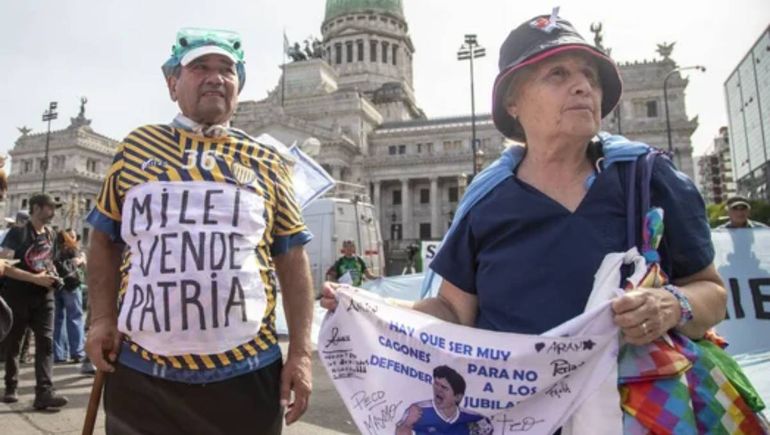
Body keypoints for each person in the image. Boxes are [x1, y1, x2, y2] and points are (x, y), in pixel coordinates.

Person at [323, 11, 726, 432]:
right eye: (557, 73)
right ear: (512, 102)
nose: (582, 85)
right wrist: (368, 308)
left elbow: (712, 292)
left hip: (638, 413)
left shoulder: (647, 179)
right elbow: (451, 311)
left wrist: (672, 305)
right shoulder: (487, 202)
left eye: (590, 74)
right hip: (519, 419)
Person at [85, 27, 314, 434]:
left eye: (226, 69)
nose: (215, 76)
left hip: (246, 375)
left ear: (238, 87)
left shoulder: (267, 160)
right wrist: (102, 318)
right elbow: (103, 239)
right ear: (173, 83)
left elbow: (292, 258)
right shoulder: (135, 148)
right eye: (199, 67)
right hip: (142, 375)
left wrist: (300, 354)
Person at [0, 193, 66, 409]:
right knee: (14, 343)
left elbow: (49, 261)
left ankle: (44, 393)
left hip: (45, 297)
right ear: (36, 208)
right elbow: (4, 266)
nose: (53, 211)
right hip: (18, 296)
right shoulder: (17, 233)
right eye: (49, 207)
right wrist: (34, 278)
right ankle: (11, 386)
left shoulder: (51, 234)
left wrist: (53, 274)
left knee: (45, 343)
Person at [396, 365, 491, 435]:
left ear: (457, 397)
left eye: (444, 387)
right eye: (436, 384)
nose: (438, 389)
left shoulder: (473, 418)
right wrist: (407, 423)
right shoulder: (418, 411)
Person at [52, 229, 86, 364]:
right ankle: (77, 352)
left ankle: (58, 354)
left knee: (57, 320)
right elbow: (77, 262)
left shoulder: (53, 250)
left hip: (56, 285)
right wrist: (83, 258)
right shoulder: (72, 249)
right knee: (75, 318)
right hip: (71, 286)